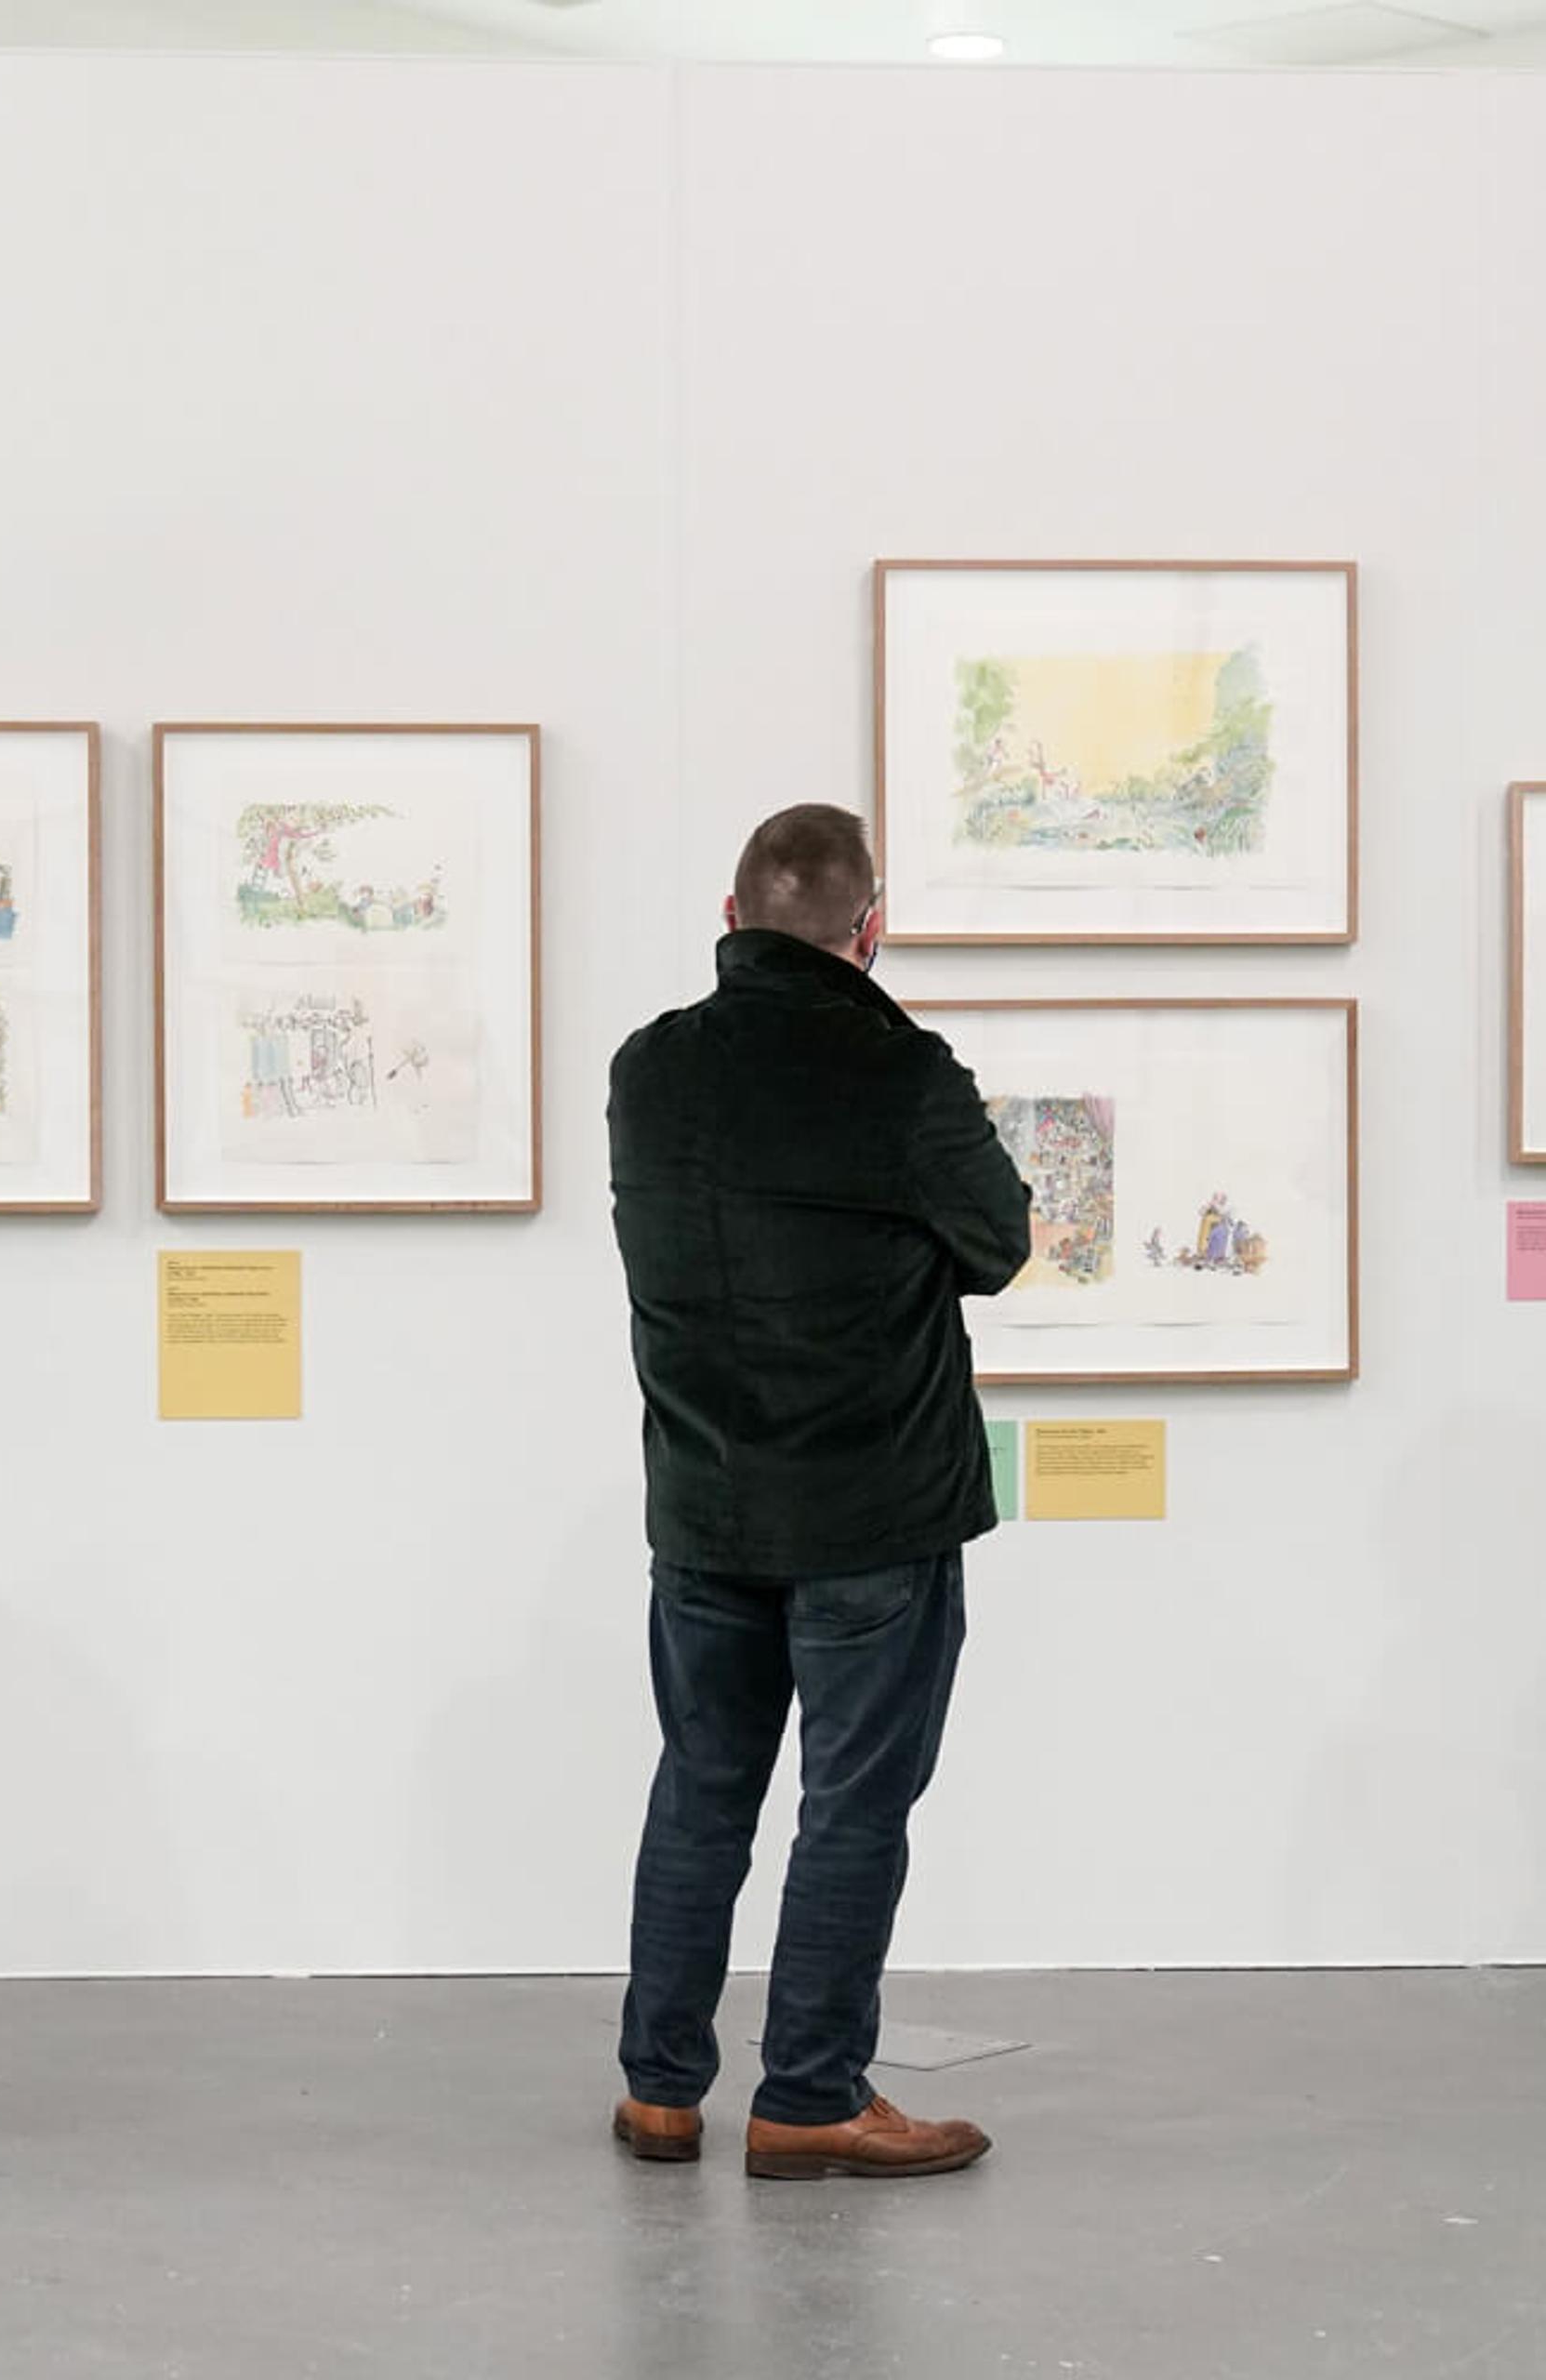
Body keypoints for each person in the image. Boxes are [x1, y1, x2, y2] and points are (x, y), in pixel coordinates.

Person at [601, 802, 1032, 2181]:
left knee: (702, 1790)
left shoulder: (650, 1068)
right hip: (874, 1514)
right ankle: (810, 2098)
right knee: (852, 1806)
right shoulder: (902, 1073)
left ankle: (661, 2093)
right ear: (870, 929)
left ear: (730, 923)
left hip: (706, 1504)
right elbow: (1003, 1245)